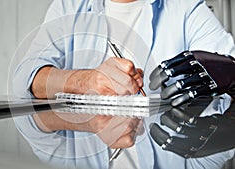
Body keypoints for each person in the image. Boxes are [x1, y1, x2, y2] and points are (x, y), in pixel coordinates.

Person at [12, 0, 235, 169]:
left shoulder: (185, 7)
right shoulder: (69, 6)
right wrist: (87, 81)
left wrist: (221, 72)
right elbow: (26, 78)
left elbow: (229, 68)